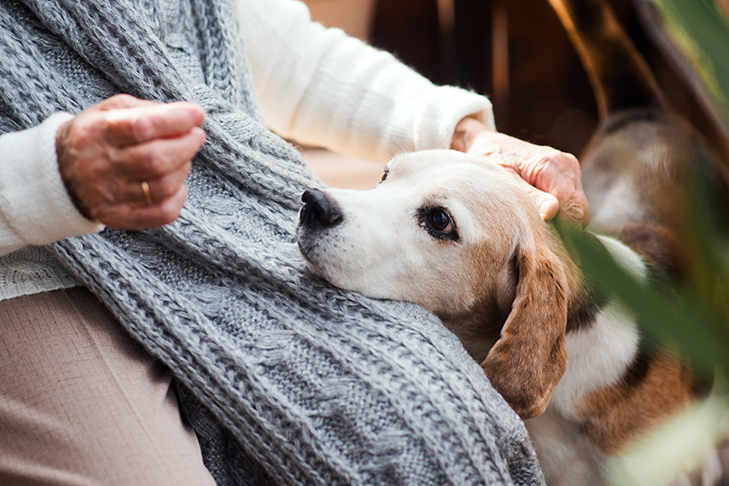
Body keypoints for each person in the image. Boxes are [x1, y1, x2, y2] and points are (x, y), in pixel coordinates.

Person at [0, 0, 588, 484]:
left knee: (434, 428)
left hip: (231, 224)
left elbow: (289, 60)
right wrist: (45, 179)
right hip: (31, 269)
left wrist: (464, 134)